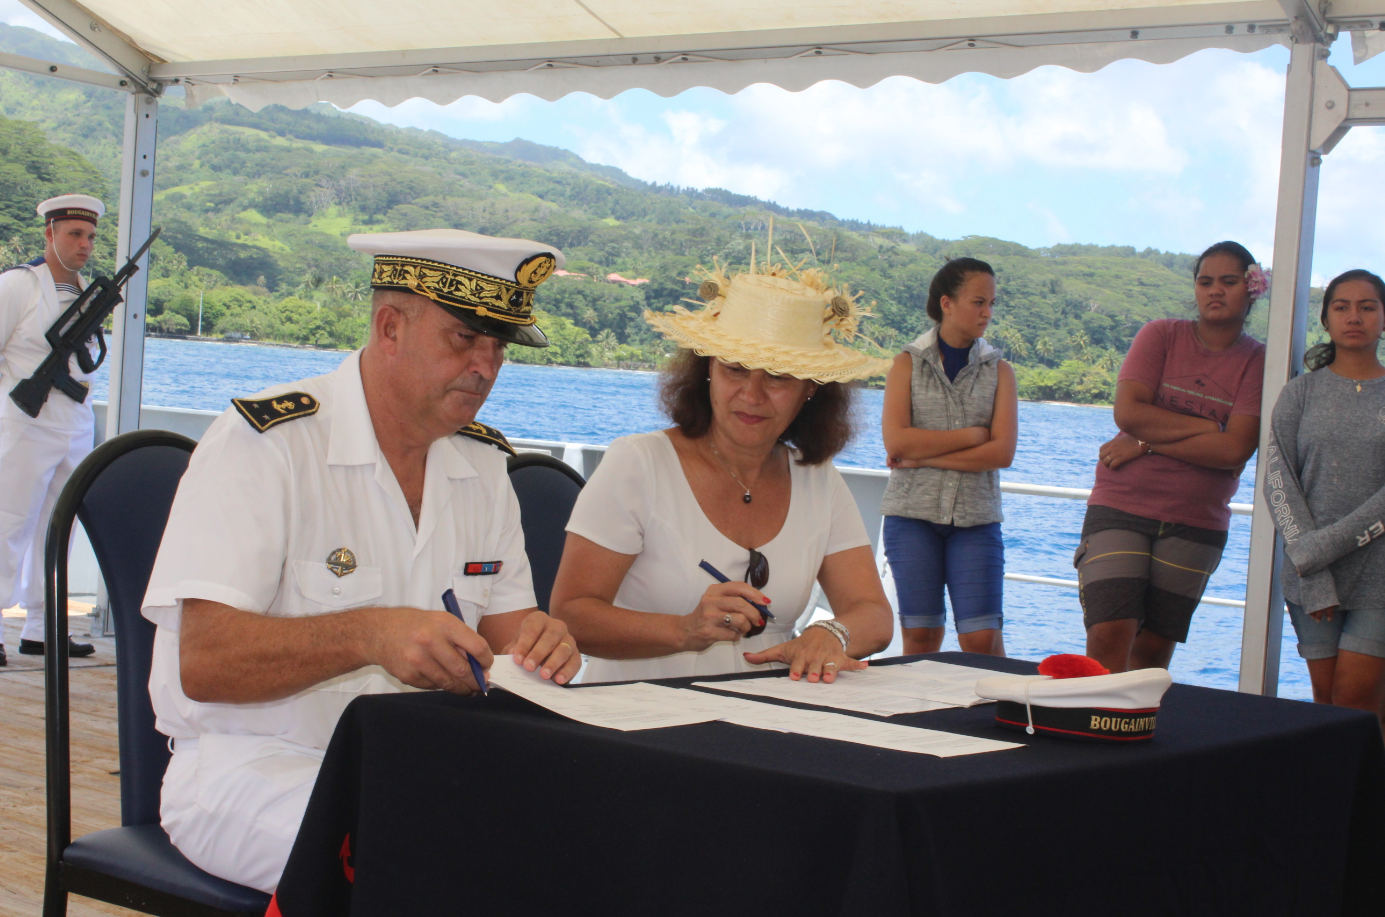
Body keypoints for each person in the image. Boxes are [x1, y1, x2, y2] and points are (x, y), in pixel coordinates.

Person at [141, 229, 581, 893]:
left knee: (584, 833)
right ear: (389, 327)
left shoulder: (484, 465)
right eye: (465, 338)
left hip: (423, 764)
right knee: (436, 859)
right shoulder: (267, 444)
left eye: (499, 347)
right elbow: (203, 662)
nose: (485, 366)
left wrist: (543, 645)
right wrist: (368, 634)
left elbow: (510, 639)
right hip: (256, 767)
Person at [550, 258, 894, 683]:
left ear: (809, 388)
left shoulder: (818, 478)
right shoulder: (639, 463)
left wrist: (831, 633)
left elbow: (874, 615)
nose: (752, 394)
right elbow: (570, 616)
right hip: (638, 712)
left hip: (772, 712)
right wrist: (683, 630)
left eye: (777, 376)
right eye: (735, 368)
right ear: (708, 369)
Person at [1078, 241, 1267, 673]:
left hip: (1196, 519)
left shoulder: (1258, 361)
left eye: (1228, 281)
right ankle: (1092, 716)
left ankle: (1134, 718)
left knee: (1152, 651)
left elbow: (1235, 449)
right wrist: (1208, 427)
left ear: (1251, 289)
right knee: (1108, 633)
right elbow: (1128, 413)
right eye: (1205, 281)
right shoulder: (1161, 335)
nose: (1215, 290)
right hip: (1122, 505)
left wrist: (1145, 443)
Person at [1264, 269, 1385, 729]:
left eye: (1367, 307)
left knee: (1356, 699)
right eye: (1341, 307)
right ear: (1326, 319)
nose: (1354, 317)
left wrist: (1318, 551)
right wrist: (1312, 571)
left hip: (1377, 573)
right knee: (1328, 702)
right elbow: (1278, 482)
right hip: (1310, 575)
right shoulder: (1300, 392)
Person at [879, 257, 1017, 657]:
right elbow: (897, 442)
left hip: (977, 520)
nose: (987, 313)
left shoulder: (1000, 372)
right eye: (979, 302)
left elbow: (1002, 452)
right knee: (920, 639)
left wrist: (924, 458)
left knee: (981, 640)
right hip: (911, 517)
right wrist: (972, 436)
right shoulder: (906, 364)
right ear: (947, 303)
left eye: (991, 304)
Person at [0, 194, 106, 665]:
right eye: (74, 234)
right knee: (7, 524)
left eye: (90, 237)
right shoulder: (18, 286)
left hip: (73, 423)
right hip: (24, 421)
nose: (85, 245)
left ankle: (44, 629)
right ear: (49, 233)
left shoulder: (89, 294)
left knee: (58, 528)